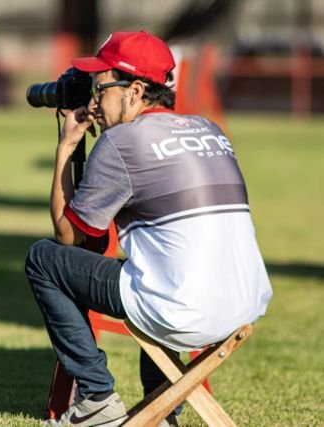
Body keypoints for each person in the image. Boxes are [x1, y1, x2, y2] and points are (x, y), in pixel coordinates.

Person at [25, 30, 272, 427]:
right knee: (154, 270)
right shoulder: (211, 130)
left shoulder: (122, 142)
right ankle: (163, 409)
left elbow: (69, 239)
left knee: (42, 260)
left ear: (135, 91)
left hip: (183, 310)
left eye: (100, 86)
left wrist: (66, 149)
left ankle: (96, 399)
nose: (93, 98)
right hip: (244, 306)